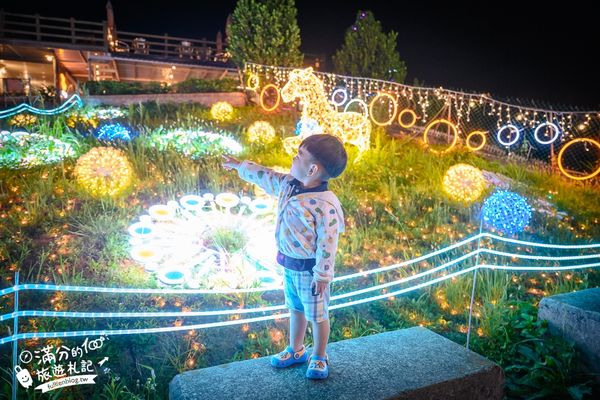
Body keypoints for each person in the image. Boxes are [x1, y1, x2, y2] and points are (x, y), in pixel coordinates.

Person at [222, 134, 347, 379]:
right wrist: (240, 166)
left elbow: (328, 243)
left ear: (312, 169)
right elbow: (266, 175)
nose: (293, 157)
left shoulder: (325, 205)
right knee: (295, 308)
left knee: (318, 315)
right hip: (289, 265)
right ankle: (296, 349)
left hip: (311, 273)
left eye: (299, 156)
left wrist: (322, 275)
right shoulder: (289, 184)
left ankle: (319, 356)